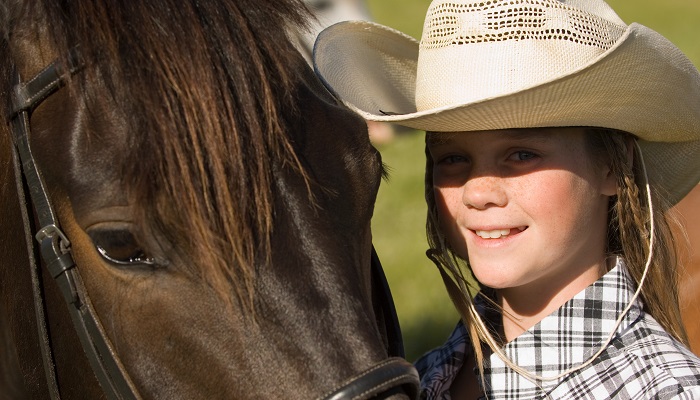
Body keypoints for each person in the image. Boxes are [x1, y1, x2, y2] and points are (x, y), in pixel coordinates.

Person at [313, 0, 700, 398]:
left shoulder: (664, 390)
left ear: (612, 167)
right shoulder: (428, 375)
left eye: (521, 154)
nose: (478, 192)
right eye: (452, 159)